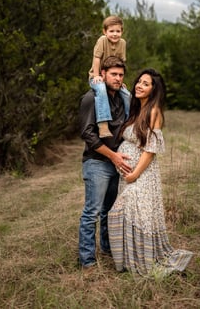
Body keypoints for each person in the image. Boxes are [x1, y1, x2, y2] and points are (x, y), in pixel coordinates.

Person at [108, 68, 193, 277]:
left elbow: (150, 150)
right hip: (128, 175)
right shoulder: (135, 109)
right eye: (139, 81)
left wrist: (135, 174)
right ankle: (130, 260)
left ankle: (145, 259)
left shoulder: (154, 111)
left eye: (146, 84)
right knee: (130, 214)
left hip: (143, 175)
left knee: (135, 213)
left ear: (154, 90)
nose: (140, 85)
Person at [79, 56, 132, 271]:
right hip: (97, 163)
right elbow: (88, 135)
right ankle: (87, 261)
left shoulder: (123, 98)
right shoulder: (91, 98)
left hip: (117, 162)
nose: (118, 78)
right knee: (92, 212)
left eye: (121, 75)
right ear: (102, 74)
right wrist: (113, 156)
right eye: (113, 74)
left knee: (110, 211)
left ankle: (109, 249)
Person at [89, 15, 130, 138]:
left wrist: (120, 80)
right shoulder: (102, 40)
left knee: (127, 94)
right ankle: (103, 125)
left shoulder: (122, 43)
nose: (115, 34)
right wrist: (96, 75)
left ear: (122, 32)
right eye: (111, 31)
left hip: (112, 77)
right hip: (97, 76)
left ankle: (128, 123)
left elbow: (121, 63)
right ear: (105, 31)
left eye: (118, 31)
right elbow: (96, 59)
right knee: (101, 89)